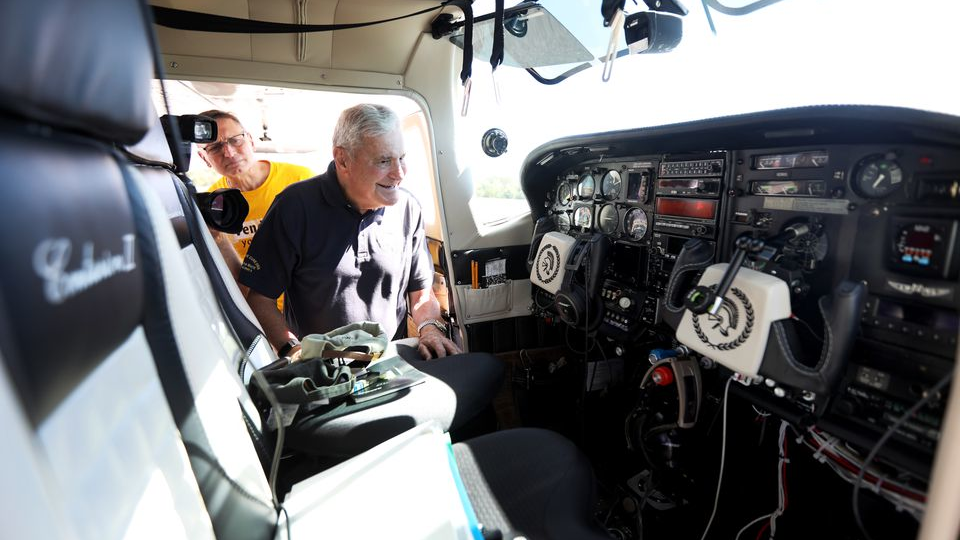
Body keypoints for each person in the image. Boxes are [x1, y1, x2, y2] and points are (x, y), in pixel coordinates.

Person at [240, 104, 459, 361]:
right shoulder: (294, 207)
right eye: (383, 160)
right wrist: (293, 351)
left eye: (402, 158)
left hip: (389, 363)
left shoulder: (408, 208)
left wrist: (429, 328)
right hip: (321, 369)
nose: (399, 173)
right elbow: (260, 298)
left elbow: (421, 294)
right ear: (343, 160)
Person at [197, 109, 314, 298]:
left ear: (251, 141)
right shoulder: (212, 205)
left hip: (310, 301)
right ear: (205, 158)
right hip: (260, 311)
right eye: (215, 148)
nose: (229, 152)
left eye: (235, 140)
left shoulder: (301, 179)